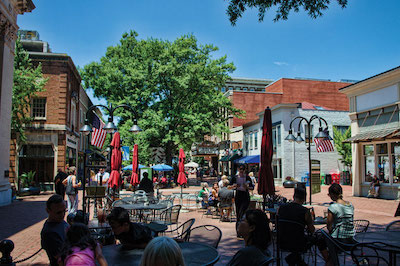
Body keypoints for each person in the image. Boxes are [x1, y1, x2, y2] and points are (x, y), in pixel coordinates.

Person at [277, 187, 330, 265]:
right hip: (298, 243)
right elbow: (312, 230)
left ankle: (294, 259)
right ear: (304, 199)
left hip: (281, 241)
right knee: (320, 239)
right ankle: (328, 261)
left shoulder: (281, 208)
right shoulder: (305, 211)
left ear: (293, 197)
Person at [41, 194, 69, 266]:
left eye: (64, 211)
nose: (62, 215)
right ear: (48, 211)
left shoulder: (60, 221)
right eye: (58, 212)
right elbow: (61, 258)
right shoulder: (49, 233)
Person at [230, 165, 254, 237]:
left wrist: (247, 187)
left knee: (243, 213)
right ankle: (238, 231)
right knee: (238, 214)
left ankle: (244, 230)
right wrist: (234, 186)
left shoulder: (247, 177)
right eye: (240, 169)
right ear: (238, 169)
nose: (242, 170)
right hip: (238, 196)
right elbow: (228, 187)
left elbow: (252, 187)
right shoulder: (235, 177)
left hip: (245, 196)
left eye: (243, 169)